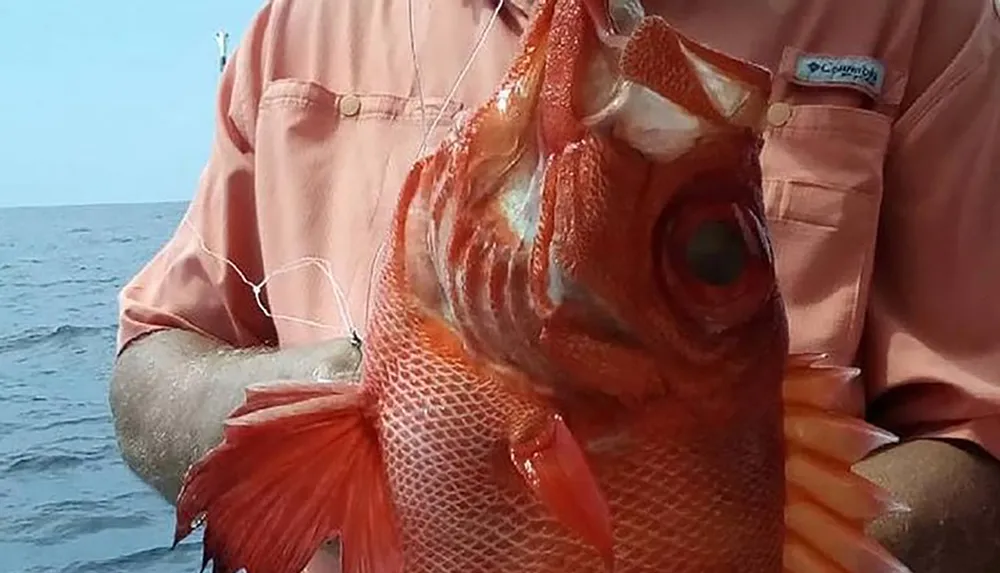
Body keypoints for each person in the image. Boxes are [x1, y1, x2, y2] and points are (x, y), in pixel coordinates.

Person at [108, 0, 1000, 571]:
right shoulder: (296, 26)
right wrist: (345, 421)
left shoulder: (923, 20)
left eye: (711, 253)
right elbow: (150, 361)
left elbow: (984, 442)